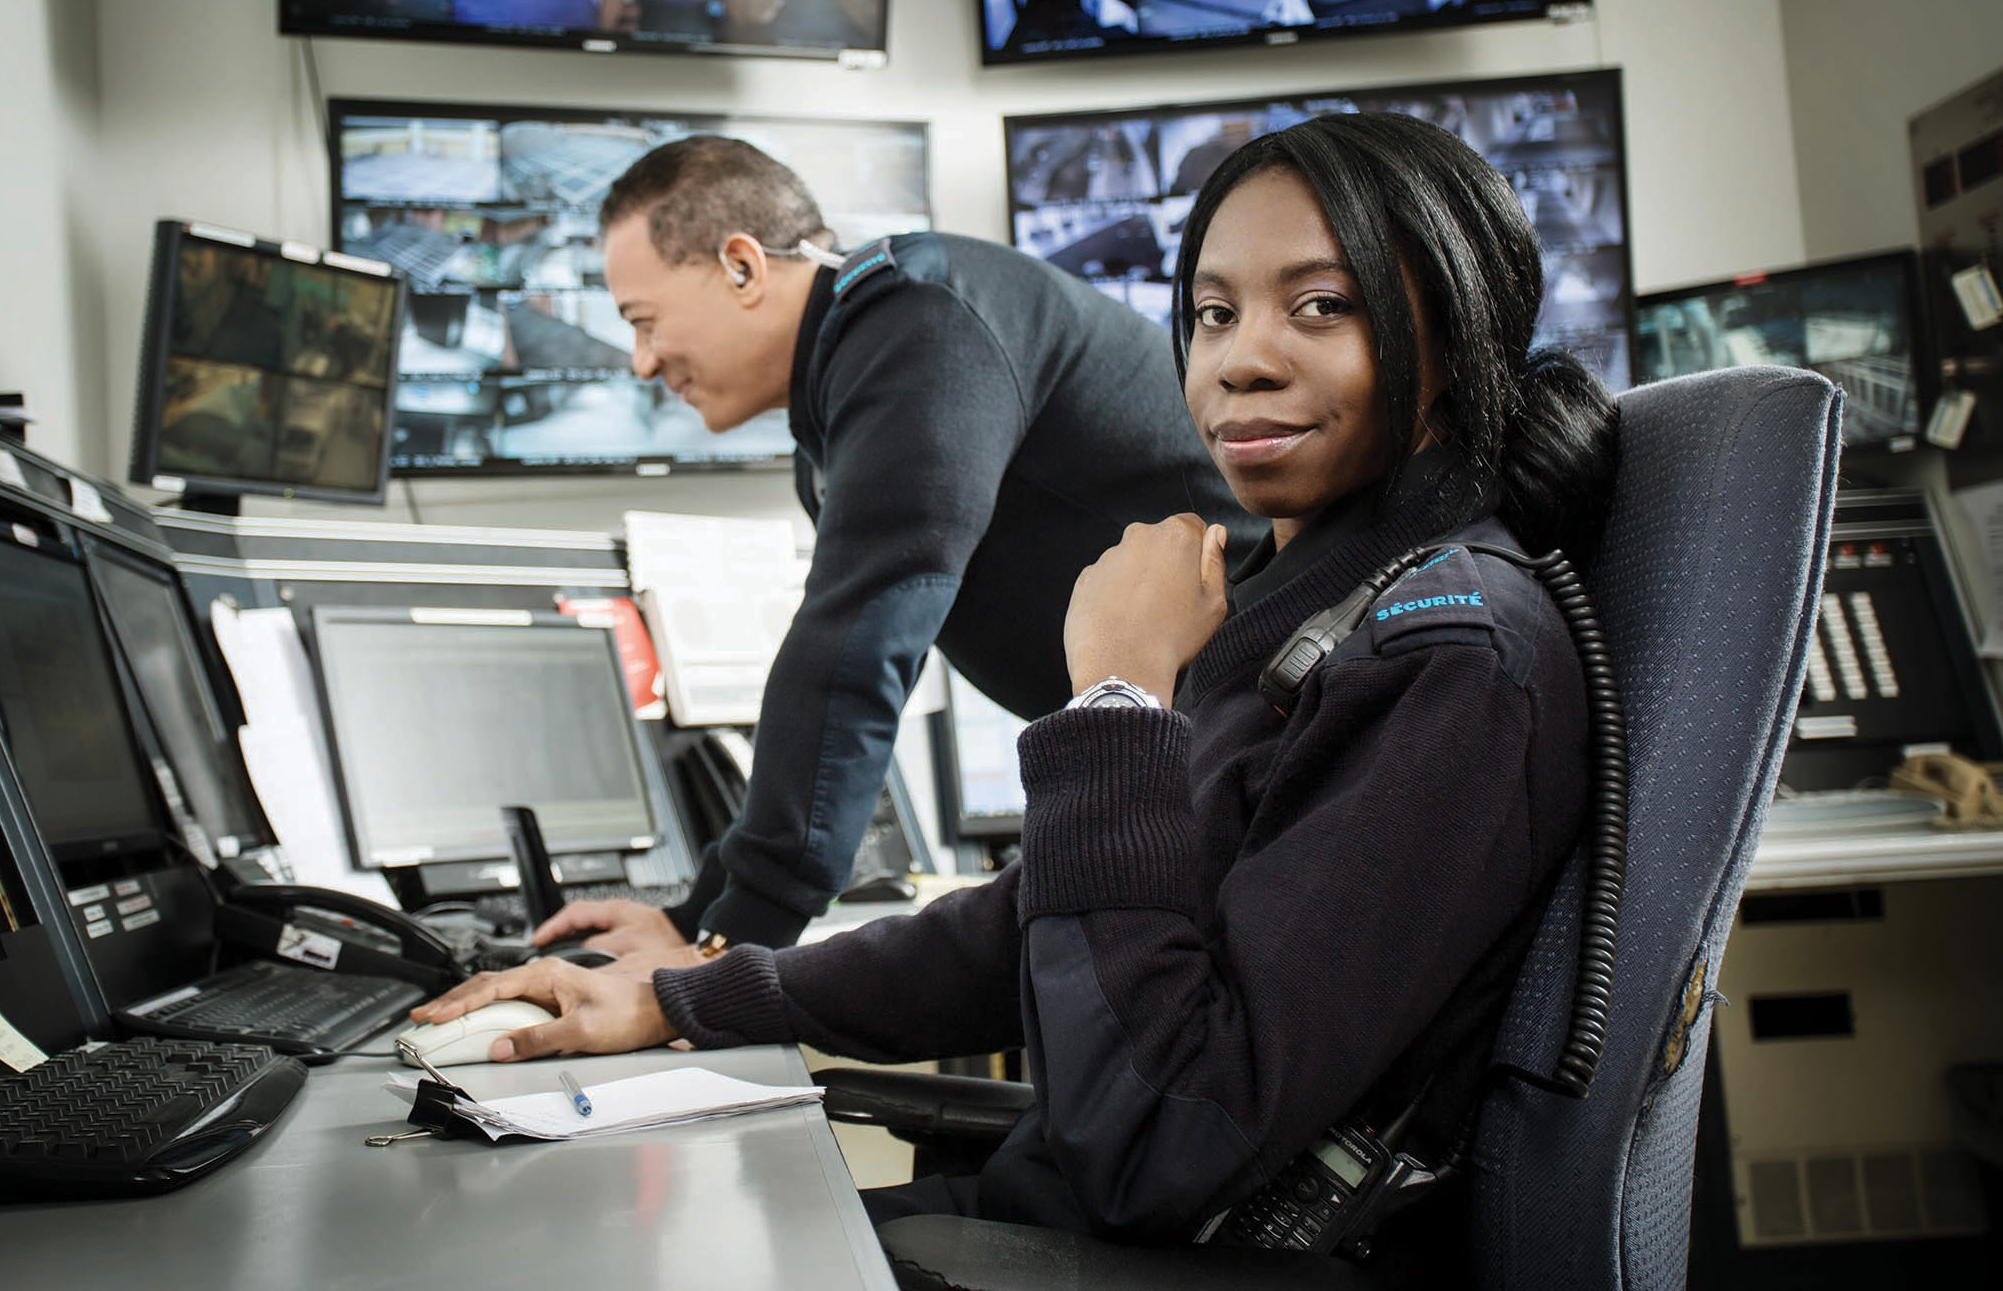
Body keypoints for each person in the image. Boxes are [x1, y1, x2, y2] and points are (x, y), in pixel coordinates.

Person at [410, 111, 1618, 1267]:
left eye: (1320, 305)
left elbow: (1153, 1138)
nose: (1243, 359)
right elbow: (1041, 913)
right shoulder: (1308, 621)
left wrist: (1118, 703)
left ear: (1452, 336)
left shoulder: (1447, 665)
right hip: (1066, 1212)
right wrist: (690, 996)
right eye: (1209, 313)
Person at [540, 134, 1261, 963]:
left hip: (1263, 757)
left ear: (742, 266)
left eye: (644, 321)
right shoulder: (859, 366)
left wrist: (723, 946)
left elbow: (858, 640)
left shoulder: (917, 321)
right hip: (1196, 771)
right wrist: (691, 917)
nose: (640, 361)